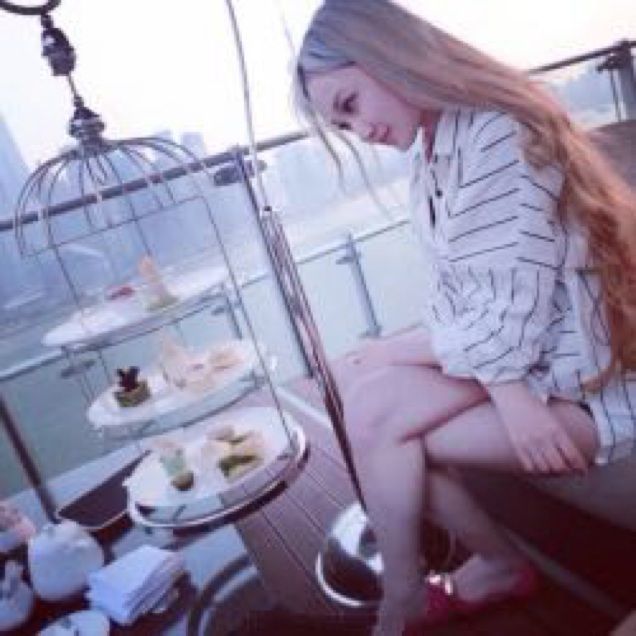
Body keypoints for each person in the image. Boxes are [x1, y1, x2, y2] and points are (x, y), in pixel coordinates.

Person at [292, 1, 636, 634]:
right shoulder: (434, 151)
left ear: (385, 53)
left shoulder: (496, 135)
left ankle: (421, 594)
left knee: (389, 430)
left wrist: (480, 382)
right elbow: (455, 298)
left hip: (590, 382)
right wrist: (404, 357)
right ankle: (432, 585)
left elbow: (504, 326)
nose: (359, 130)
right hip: (538, 360)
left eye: (351, 104)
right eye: (343, 123)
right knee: (368, 397)